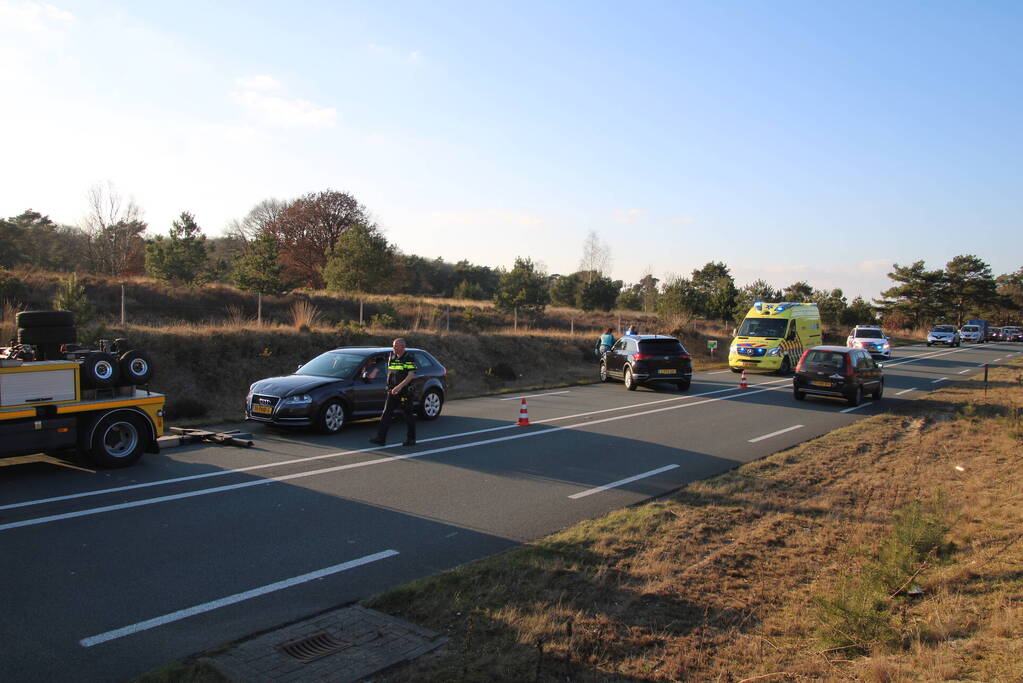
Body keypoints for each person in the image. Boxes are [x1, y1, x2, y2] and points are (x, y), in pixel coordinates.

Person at [369, 338, 418, 447]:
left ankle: (411, 439)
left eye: (396, 346)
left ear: (403, 347)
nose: (394, 348)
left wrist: (399, 387)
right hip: (392, 391)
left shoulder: (408, 358)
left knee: (408, 416)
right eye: (393, 346)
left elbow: (411, 375)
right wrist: (375, 371)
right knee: (386, 414)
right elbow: (385, 367)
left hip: (404, 392)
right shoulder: (392, 356)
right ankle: (380, 438)